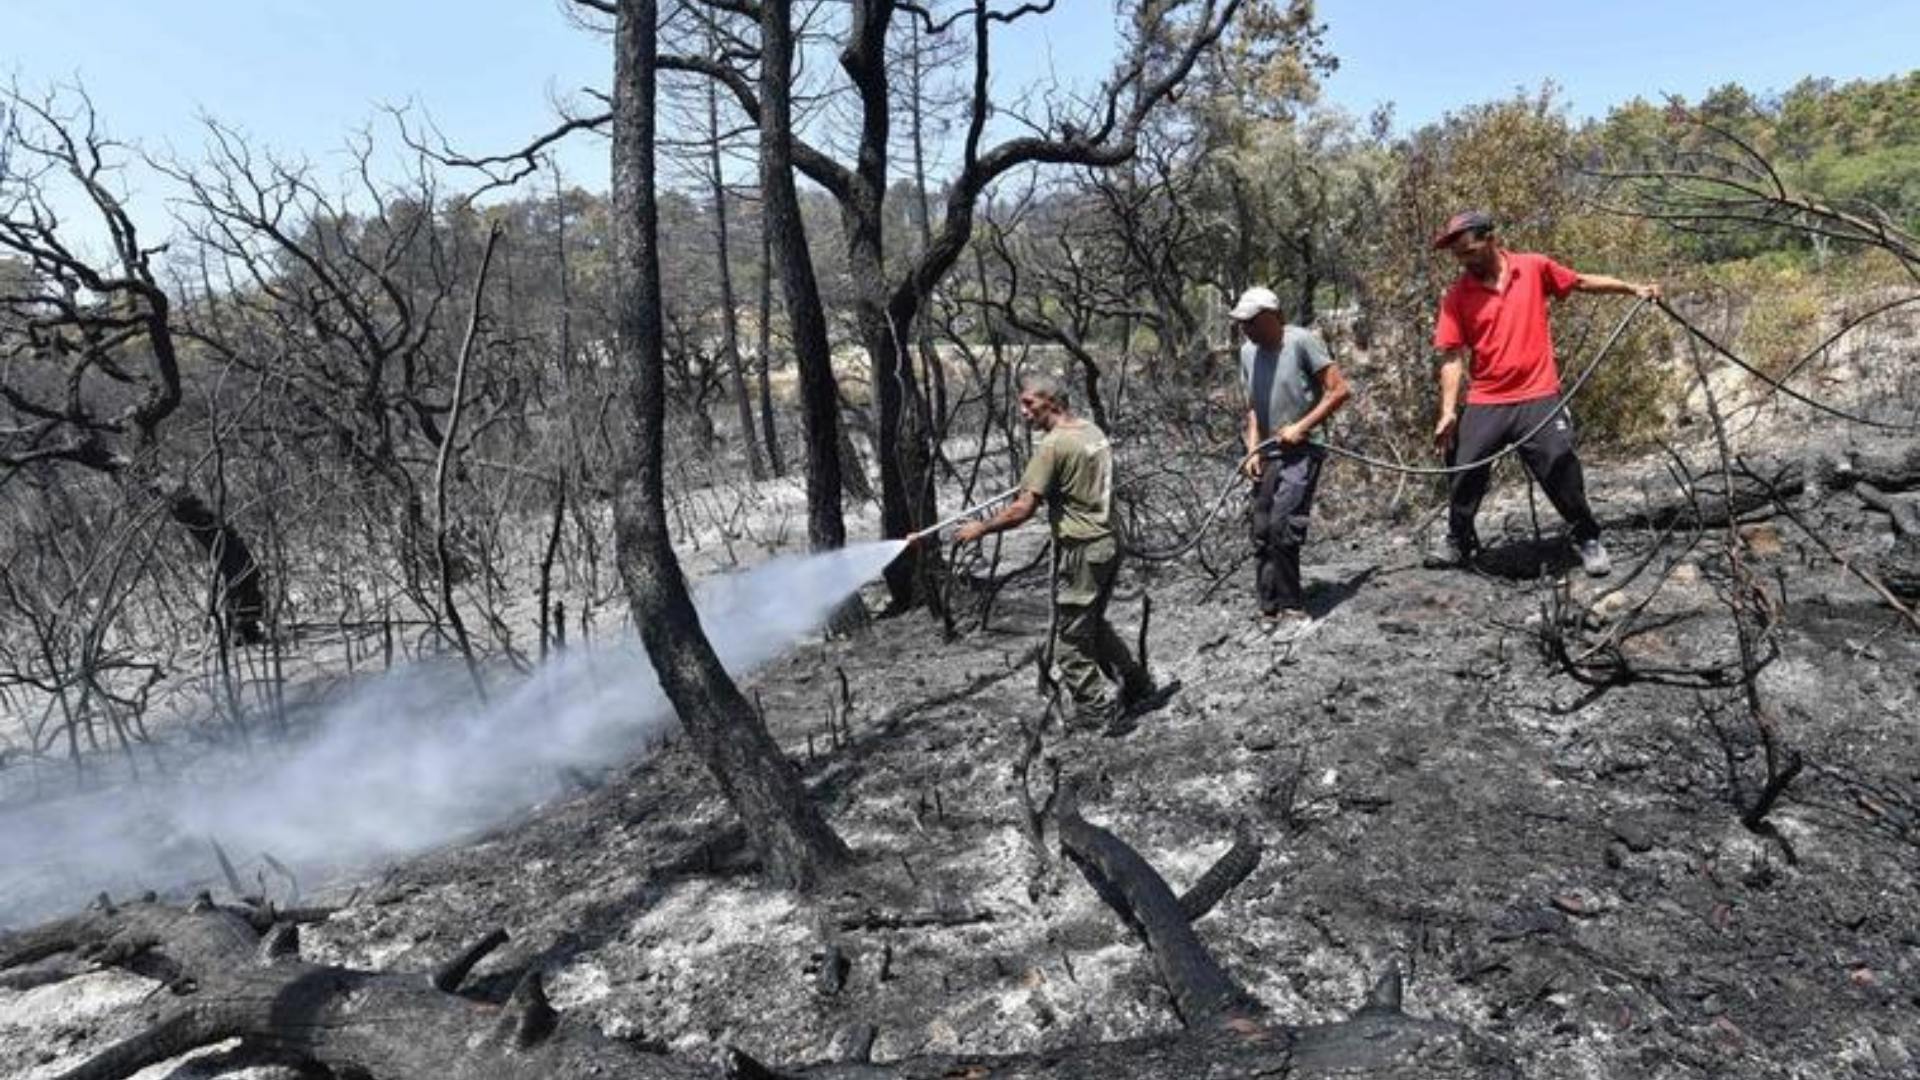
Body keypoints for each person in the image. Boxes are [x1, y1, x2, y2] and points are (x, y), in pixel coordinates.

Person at [1427, 211, 1661, 577]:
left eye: (1469, 250)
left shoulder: (1533, 267)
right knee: (1463, 464)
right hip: (1488, 397)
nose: (1464, 260)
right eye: (1457, 255)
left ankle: (1587, 538)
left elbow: (1581, 281)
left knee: (1558, 461)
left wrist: (1633, 288)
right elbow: (1452, 356)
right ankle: (1459, 539)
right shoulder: (1457, 296)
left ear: (1491, 238)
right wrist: (1448, 412)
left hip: (1538, 393)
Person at [951, 374, 1164, 734]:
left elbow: (1021, 511)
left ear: (1053, 401)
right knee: (1092, 624)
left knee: (1069, 643)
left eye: (1029, 404)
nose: (1023, 412)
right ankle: (1137, 683)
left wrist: (980, 528)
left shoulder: (1052, 447)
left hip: (1083, 550)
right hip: (1108, 543)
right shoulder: (1090, 432)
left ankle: (1099, 711)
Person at [1227, 286, 1351, 633]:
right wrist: (1252, 448)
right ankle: (1269, 608)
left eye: (1252, 322)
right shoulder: (1248, 352)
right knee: (1262, 528)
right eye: (1242, 323)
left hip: (1304, 449)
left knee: (1284, 526)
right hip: (1267, 452)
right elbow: (1253, 406)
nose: (1246, 329)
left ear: (1272, 317)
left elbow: (1339, 390)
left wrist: (1302, 426)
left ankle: (1293, 607)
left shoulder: (1301, 342)